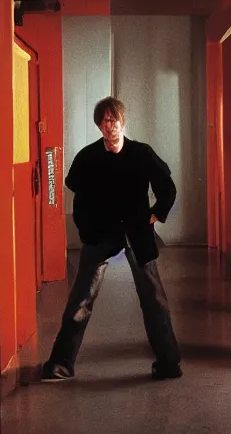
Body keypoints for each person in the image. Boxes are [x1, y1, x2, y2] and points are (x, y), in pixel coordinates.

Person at [41, 96, 183, 382]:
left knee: (153, 299)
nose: (111, 125)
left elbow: (167, 187)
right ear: (99, 125)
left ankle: (168, 363)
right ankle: (61, 364)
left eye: (114, 119)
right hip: (100, 236)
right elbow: (76, 194)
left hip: (137, 235)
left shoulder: (141, 153)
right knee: (81, 298)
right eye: (105, 121)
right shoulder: (88, 157)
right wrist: (86, 229)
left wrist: (153, 217)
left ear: (123, 121)